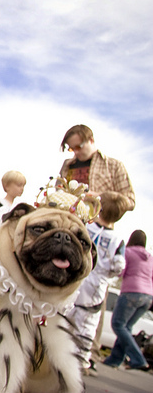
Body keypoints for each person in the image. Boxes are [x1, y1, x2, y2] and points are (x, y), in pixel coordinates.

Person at [67, 191, 128, 375]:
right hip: (96, 288)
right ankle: (79, 364)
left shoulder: (86, 226)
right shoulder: (118, 241)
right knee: (86, 327)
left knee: (62, 317)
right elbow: (119, 266)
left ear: (99, 208)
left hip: (75, 278)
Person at [102, 230, 152, 371]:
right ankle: (115, 359)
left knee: (118, 324)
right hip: (148, 296)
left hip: (131, 292)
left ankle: (138, 359)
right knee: (126, 327)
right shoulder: (150, 257)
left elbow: (121, 271)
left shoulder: (128, 252)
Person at [59, 124, 135, 211]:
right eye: (71, 149)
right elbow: (57, 193)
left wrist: (93, 196)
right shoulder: (66, 165)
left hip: (97, 222)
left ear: (91, 140)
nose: (75, 152)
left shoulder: (114, 166)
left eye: (78, 147)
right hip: (67, 221)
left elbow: (130, 202)